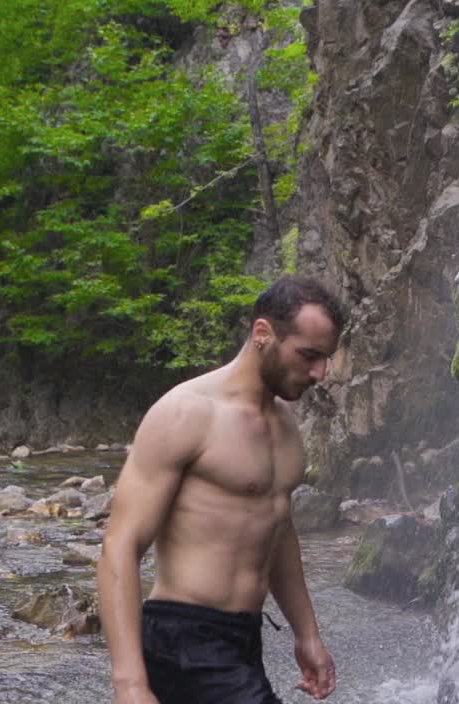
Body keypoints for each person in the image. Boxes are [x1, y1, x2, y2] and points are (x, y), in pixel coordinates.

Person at [98, 275, 345, 704]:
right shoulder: (187, 413)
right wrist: (130, 684)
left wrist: (307, 634)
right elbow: (120, 544)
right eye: (308, 355)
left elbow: (277, 529)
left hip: (242, 638)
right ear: (263, 334)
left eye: (325, 358)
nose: (320, 372)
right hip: (182, 637)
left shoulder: (286, 426)